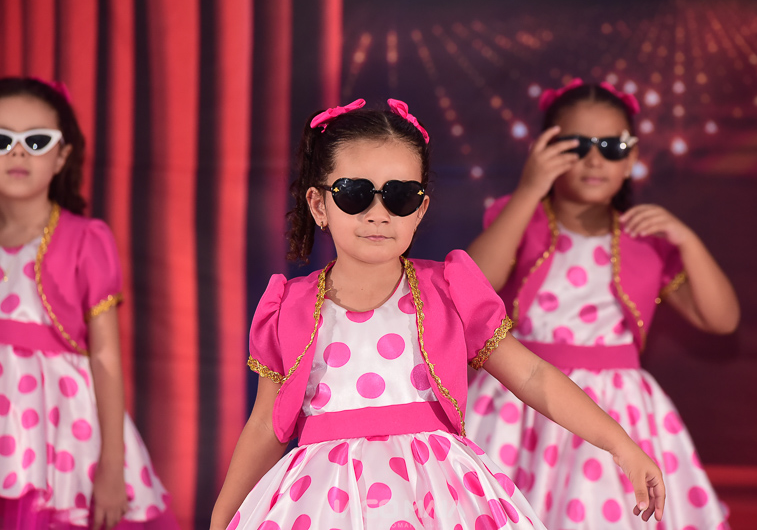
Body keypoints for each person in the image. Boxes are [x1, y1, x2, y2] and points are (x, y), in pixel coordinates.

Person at [210, 98, 665, 530]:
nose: (378, 214)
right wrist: (222, 520)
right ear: (318, 205)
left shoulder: (449, 291)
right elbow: (265, 427)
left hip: (439, 501)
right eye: (354, 193)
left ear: (420, 209)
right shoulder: (289, 307)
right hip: (323, 504)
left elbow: (532, 376)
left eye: (399, 196)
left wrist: (620, 444)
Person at [465, 78, 738, 529]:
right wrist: (530, 189)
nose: (595, 160)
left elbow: (721, 320)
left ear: (631, 158)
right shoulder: (519, 219)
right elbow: (472, 285)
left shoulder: (645, 239)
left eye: (612, 147)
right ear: (544, 150)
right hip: (523, 400)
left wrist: (688, 241)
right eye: (577, 146)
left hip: (617, 408)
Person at [0, 77, 178, 529]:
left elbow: (104, 357)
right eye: (2, 140)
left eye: (36, 141)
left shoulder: (84, 240)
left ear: (61, 155)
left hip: (60, 437)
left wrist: (112, 465)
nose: (17, 153)